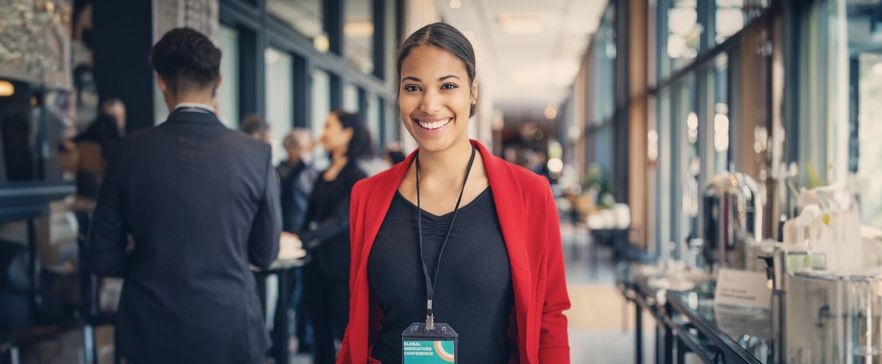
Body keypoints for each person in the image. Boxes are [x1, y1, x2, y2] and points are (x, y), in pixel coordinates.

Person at [338, 22, 571, 363]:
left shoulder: (529, 194)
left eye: (448, 85)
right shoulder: (367, 195)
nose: (430, 105)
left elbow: (550, 316)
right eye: (413, 87)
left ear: (472, 92)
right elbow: (359, 319)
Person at [88, 28, 280, 364]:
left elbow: (102, 258)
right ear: (219, 80)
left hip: (149, 329)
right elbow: (265, 255)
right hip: (230, 329)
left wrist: (152, 260)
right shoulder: (256, 155)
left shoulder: (126, 153)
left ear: (161, 81)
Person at [296, 110, 371, 364]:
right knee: (319, 335)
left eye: (329, 126)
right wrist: (298, 237)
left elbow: (340, 219)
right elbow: (309, 215)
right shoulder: (322, 172)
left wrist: (304, 239)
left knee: (345, 334)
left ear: (347, 133)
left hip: (341, 269)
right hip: (314, 265)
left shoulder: (356, 176)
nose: (323, 133)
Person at [276, 128, 317, 353]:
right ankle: (280, 340)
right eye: (301, 145)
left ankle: (304, 336)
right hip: (286, 236)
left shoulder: (312, 172)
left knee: (305, 293)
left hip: (306, 235)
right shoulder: (280, 171)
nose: (305, 150)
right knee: (287, 293)